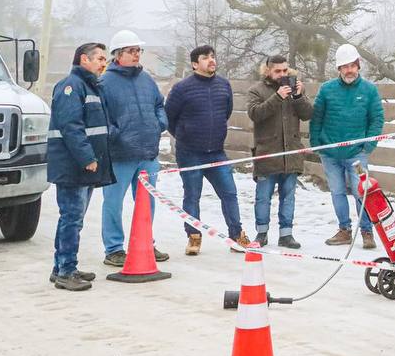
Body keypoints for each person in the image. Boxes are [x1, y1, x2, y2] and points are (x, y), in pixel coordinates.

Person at [165, 45, 250, 254]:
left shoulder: (223, 85)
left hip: (217, 152)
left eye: (213, 56)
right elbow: (169, 118)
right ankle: (194, 237)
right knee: (192, 195)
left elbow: (226, 112)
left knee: (229, 193)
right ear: (195, 64)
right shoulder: (182, 88)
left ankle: (236, 235)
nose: (211, 60)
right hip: (190, 153)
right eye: (205, 58)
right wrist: (185, 135)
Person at [47, 42, 115, 290]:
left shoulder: (92, 87)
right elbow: (71, 126)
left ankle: (61, 267)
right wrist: (87, 157)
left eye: (104, 58)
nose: (103, 62)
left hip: (83, 167)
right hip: (72, 166)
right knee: (72, 219)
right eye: (98, 58)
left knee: (73, 219)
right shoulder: (70, 86)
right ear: (83, 60)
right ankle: (66, 272)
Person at [98, 30, 169, 267]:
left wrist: (160, 123)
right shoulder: (105, 82)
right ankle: (114, 248)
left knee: (146, 203)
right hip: (119, 155)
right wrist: (116, 136)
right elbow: (100, 117)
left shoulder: (146, 79)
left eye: (138, 50)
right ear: (118, 54)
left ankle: (145, 243)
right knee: (113, 202)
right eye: (131, 51)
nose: (136, 54)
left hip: (147, 153)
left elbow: (159, 104)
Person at [310, 42, 383, 248]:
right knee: (337, 192)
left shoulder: (369, 90)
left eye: (352, 65)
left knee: (362, 192)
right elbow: (316, 118)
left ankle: (367, 231)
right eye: (345, 66)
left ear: (358, 65)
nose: (349, 70)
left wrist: (367, 146)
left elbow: (376, 119)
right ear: (339, 69)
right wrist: (317, 145)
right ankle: (344, 230)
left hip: (356, 154)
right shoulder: (327, 90)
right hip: (330, 153)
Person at [247, 54, 313, 248]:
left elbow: (308, 114)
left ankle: (286, 234)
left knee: (288, 196)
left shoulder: (295, 89)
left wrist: (299, 96)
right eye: (278, 71)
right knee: (263, 197)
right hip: (267, 153)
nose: (282, 74)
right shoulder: (256, 90)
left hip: (291, 154)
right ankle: (261, 234)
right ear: (268, 71)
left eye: (285, 70)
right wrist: (277, 97)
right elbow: (255, 114)